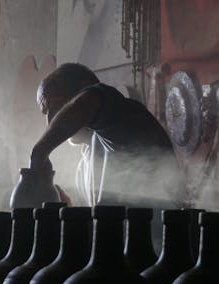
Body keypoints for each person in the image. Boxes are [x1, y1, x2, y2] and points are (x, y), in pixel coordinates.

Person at [30, 63, 184, 208]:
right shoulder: (83, 167)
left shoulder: (125, 119)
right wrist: (67, 210)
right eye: (46, 113)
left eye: (57, 105)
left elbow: (92, 100)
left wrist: (40, 151)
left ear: (84, 89)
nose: (50, 120)